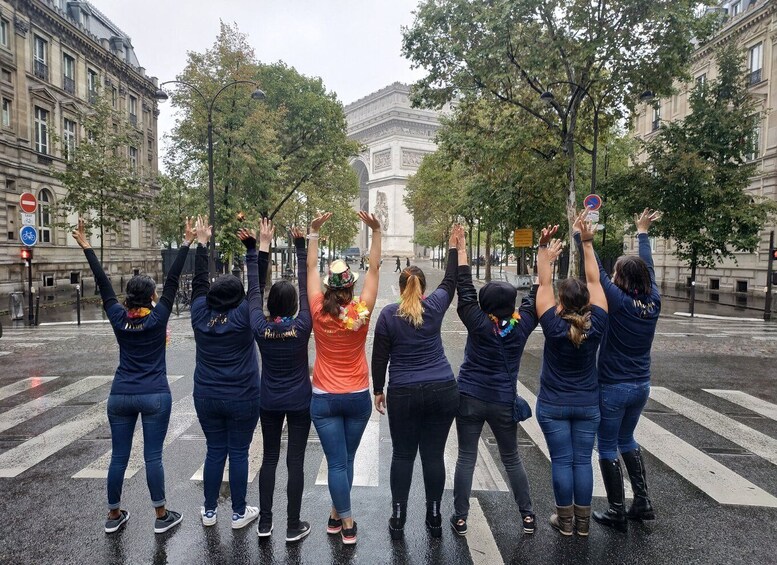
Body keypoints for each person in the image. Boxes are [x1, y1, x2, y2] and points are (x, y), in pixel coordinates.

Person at [72, 217, 190, 535]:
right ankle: (161, 515)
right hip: (154, 395)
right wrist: (187, 242)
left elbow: (103, 284)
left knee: (119, 457)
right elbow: (175, 278)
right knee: (152, 456)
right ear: (152, 297)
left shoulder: (118, 318)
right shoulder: (157, 318)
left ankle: (113, 516)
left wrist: (86, 246)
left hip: (120, 394)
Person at [371, 225, 462, 540]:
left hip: (405, 393)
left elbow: (380, 358)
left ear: (400, 287)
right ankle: (434, 515)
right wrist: (453, 246)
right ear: (423, 287)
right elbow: (450, 281)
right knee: (434, 456)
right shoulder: (434, 306)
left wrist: (378, 390)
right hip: (442, 388)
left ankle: (398, 517)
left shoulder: (388, 315)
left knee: (403, 455)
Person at [450, 228, 538, 537]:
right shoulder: (522, 325)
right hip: (503, 400)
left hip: (470, 396)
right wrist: (544, 260)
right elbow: (536, 296)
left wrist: (460, 249)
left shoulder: (477, 322)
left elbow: (464, 289)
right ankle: (527, 515)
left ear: (484, 304)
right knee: (511, 457)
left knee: (466, 457)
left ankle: (460, 518)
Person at [306, 210, 382, 545]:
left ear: (328, 288)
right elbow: (376, 269)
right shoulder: (362, 313)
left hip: (323, 396)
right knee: (345, 460)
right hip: (356, 397)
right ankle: (345, 520)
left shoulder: (316, 309)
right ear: (351, 288)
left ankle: (339, 517)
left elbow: (308, 268)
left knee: (338, 462)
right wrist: (376, 232)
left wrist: (313, 234)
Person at [238, 220, 313, 543]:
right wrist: (300, 248)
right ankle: (293, 524)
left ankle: (266, 523)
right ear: (295, 305)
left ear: (270, 306)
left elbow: (253, 291)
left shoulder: (259, 326)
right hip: (299, 400)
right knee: (295, 461)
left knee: (269, 458)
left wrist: (254, 251)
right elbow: (308, 288)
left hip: (268, 400)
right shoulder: (302, 325)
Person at [535, 212, 608, 537]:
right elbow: (595, 281)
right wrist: (586, 240)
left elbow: (543, 283)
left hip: (553, 405)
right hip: (588, 404)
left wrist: (544, 250)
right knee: (582, 462)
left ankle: (564, 522)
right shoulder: (598, 323)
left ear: (561, 302)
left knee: (562, 462)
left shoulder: (552, 324)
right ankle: (582, 523)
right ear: (587, 302)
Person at [590, 209, 661, 532]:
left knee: (607, 444)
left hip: (614, 384)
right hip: (641, 384)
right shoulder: (653, 299)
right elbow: (649, 268)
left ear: (620, 278)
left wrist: (585, 239)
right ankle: (642, 502)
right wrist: (642, 233)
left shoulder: (617, 300)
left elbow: (594, 277)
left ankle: (617, 509)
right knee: (627, 439)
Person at [190, 216, 260, 531]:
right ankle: (238, 512)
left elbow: (199, 282)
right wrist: (253, 251)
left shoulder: (199, 314)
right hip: (243, 395)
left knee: (215, 450)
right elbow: (256, 287)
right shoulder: (245, 317)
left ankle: (208, 511)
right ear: (238, 299)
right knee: (239, 452)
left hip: (206, 395)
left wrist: (201, 243)